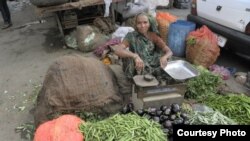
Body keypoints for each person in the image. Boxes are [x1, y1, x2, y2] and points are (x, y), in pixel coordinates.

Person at [112, 12, 173, 80]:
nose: (142, 26)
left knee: (169, 60)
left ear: (149, 23)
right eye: (139, 23)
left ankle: (155, 75)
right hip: (139, 65)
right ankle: (135, 79)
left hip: (153, 63)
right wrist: (135, 56)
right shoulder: (131, 36)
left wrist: (165, 57)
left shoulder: (154, 36)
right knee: (129, 59)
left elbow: (169, 51)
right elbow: (117, 50)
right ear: (136, 24)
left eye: (145, 22)